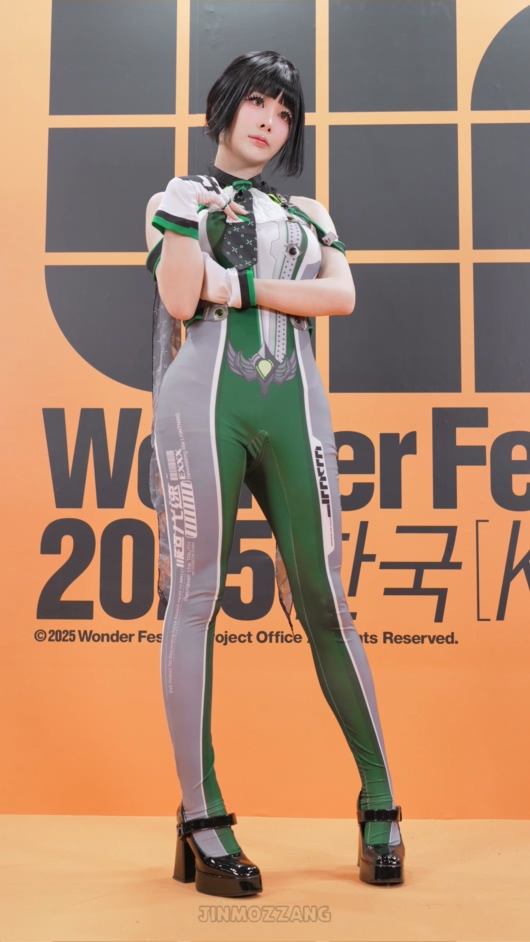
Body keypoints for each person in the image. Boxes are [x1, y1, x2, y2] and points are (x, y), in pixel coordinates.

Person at [144, 50, 404, 898]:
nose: (270, 121)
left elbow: (341, 298)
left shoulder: (308, 212)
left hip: (296, 406)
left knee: (326, 599)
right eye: (257, 102)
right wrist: (190, 232)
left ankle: (380, 801)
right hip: (202, 404)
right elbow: (181, 300)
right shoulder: (177, 199)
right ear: (225, 106)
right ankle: (201, 815)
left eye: (285, 112)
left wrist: (237, 284)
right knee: (195, 597)